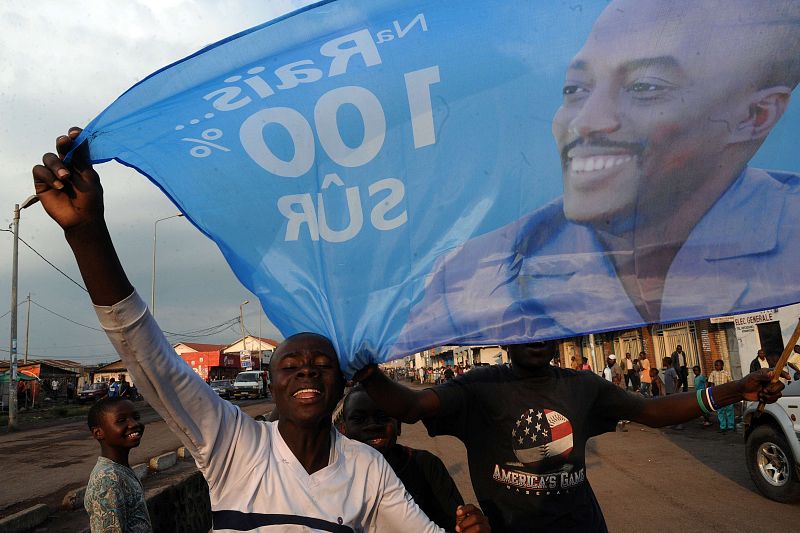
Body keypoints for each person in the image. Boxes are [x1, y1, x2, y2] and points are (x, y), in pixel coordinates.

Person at [33, 129, 490, 533]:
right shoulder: (235, 444)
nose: (307, 371)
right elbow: (149, 356)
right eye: (290, 366)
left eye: (321, 365)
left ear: (340, 387)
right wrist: (87, 233)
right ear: (272, 385)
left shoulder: (367, 468)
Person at [397, 0, 800, 351]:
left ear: (755, 115)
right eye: (575, 90)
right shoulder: (473, 277)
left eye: (645, 87)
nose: (585, 123)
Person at [356, 340, 782, 532]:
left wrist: (734, 390)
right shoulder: (478, 388)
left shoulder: (583, 387)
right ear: (505, 336)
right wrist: (367, 373)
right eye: (525, 326)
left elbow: (651, 412)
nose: (537, 335)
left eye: (547, 325)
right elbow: (410, 407)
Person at [342, 385, 465, 531]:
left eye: (383, 417)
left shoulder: (426, 466)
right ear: (343, 430)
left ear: (398, 426)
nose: (372, 426)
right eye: (358, 419)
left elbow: (455, 523)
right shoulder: (334, 474)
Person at [84, 396, 152, 533]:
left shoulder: (120, 470)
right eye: (121, 421)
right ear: (98, 433)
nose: (134, 424)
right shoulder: (107, 480)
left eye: (136, 417)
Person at [708, 359, 736, 433]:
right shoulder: (713, 373)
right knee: (720, 411)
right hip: (717, 395)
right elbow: (711, 384)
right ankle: (723, 426)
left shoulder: (726, 373)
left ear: (722, 365)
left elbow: (731, 383)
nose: (716, 366)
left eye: (718, 365)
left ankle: (731, 426)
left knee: (729, 410)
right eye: (715, 365)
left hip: (726, 394)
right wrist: (712, 393)